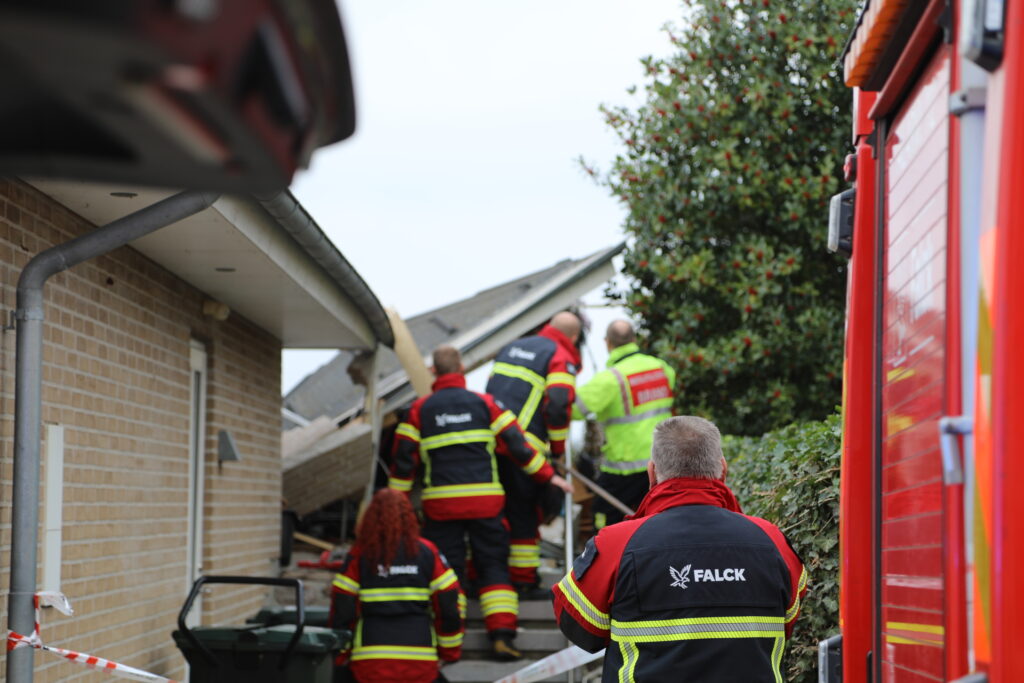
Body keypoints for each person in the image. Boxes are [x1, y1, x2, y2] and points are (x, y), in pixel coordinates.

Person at [551, 416, 808, 682]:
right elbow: (789, 619)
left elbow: (578, 626)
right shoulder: (772, 541)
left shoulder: (616, 544)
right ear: (723, 470)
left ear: (651, 473)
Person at [389, 345, 572, 660]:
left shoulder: (419, 411)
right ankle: (502, 636)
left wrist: (396, 506)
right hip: (486, 505)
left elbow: (403, 463)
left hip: (441, 507)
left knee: (450, 574)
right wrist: (548, 476)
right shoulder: (485, 404)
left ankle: (450, 640)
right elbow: (518, 445)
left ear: (434, 371)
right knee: (494, 568)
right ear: (461, 368)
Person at [485, 311, 582, 596]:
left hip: (490, 441)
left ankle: (493, 578)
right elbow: (558, 406)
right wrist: (559, 452)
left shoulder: (511, 347)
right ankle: (524, 582)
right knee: (525, 515)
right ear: (574, 337)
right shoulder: (560, 355)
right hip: (525, 449)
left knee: (496, 514)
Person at [328, 488, 464, 683]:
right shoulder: (428, 552)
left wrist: (340, 655)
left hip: (370, 663)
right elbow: (448, 607)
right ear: (409, 517)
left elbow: (343, 610)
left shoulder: (359, 555)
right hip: (420, 662)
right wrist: (449, 652)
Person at [572, 319, 676, 529]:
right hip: (661, 463)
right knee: (653, 518)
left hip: (623, 468)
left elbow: (572, 409)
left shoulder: (610, 380)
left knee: (604, 519)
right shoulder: (662, 368)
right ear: (634, 339)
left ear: (607, 343)